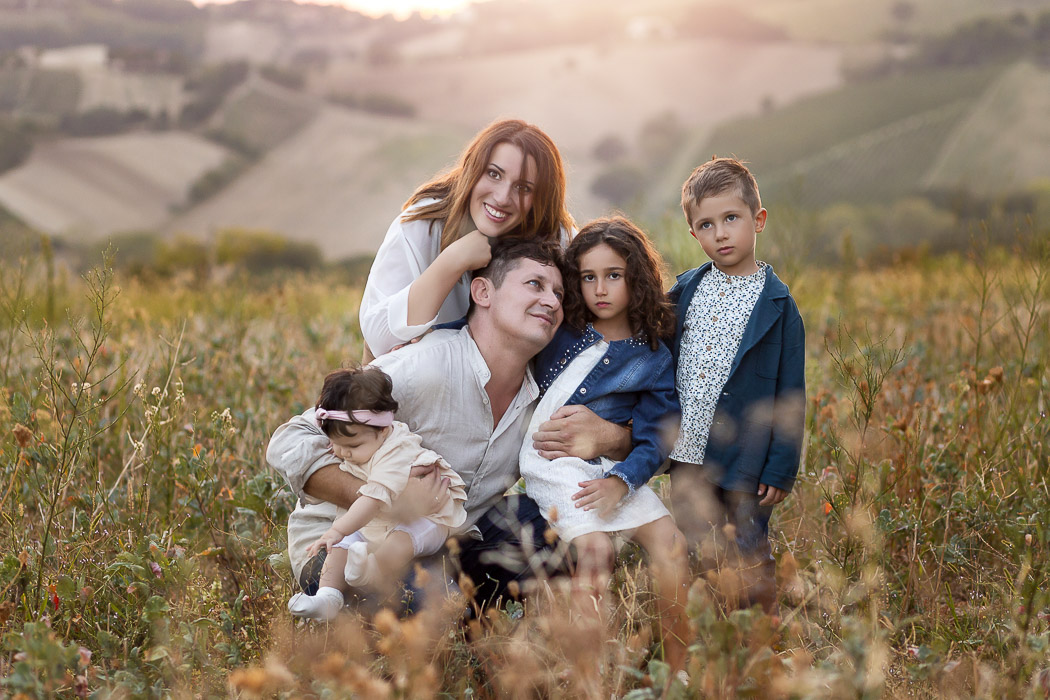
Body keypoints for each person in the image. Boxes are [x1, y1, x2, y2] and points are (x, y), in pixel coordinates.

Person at [268, 238, 632, 610]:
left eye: (558, 293)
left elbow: (651, 438)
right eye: (535, 284)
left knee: (569, 529)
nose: (553, 301)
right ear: (483, 291)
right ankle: (362, 613)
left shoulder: (542, 395)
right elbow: (289, 440)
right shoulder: (424, 366)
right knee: (436, 603)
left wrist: (611, 435)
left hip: (447, 540)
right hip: (348, 546)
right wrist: (385, 499)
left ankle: (486, 625)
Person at [521, 216, 690, 670]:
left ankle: (679, 670)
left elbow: (658, 436)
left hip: (612, 470)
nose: (600, 289)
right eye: (588, 277)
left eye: (613, 276)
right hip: (553, 460)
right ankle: (587, 674)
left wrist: (623, 480)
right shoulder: (560, 333)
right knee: (594, 549)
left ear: (636, 277)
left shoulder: (653, 356)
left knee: (671, 543)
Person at [667, 157, 806, 614]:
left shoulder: (778, 306)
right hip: (689, 451)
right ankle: (707, 632)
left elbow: (790, 393)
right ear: (694, 234)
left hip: (747, 458)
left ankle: (757, 638)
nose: (720, 233)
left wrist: (780, 467)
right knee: (697, 548)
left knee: (747, 546)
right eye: (706, 224)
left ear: (757, 220)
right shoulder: (685, 290)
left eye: (731, 218)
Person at [359, 118, 574, 358]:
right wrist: (453, 261)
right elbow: (378, 341)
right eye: (494, 174)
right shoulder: (423, 223)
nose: (502, 198)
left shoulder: (557, 239)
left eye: (523, 188)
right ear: (473, 170)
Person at [282, 367, 468, 621]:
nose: (342, 452)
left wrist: (337, 530)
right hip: (382, 517)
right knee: (340, 546)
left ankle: (373, 573)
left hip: (427, 518)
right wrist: (340, 536)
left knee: (398, 542)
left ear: (382, 430)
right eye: (335, 443)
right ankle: (327, 596)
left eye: (352, 446)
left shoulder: (395, 450)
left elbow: (371, 500)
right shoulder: (360, 440)